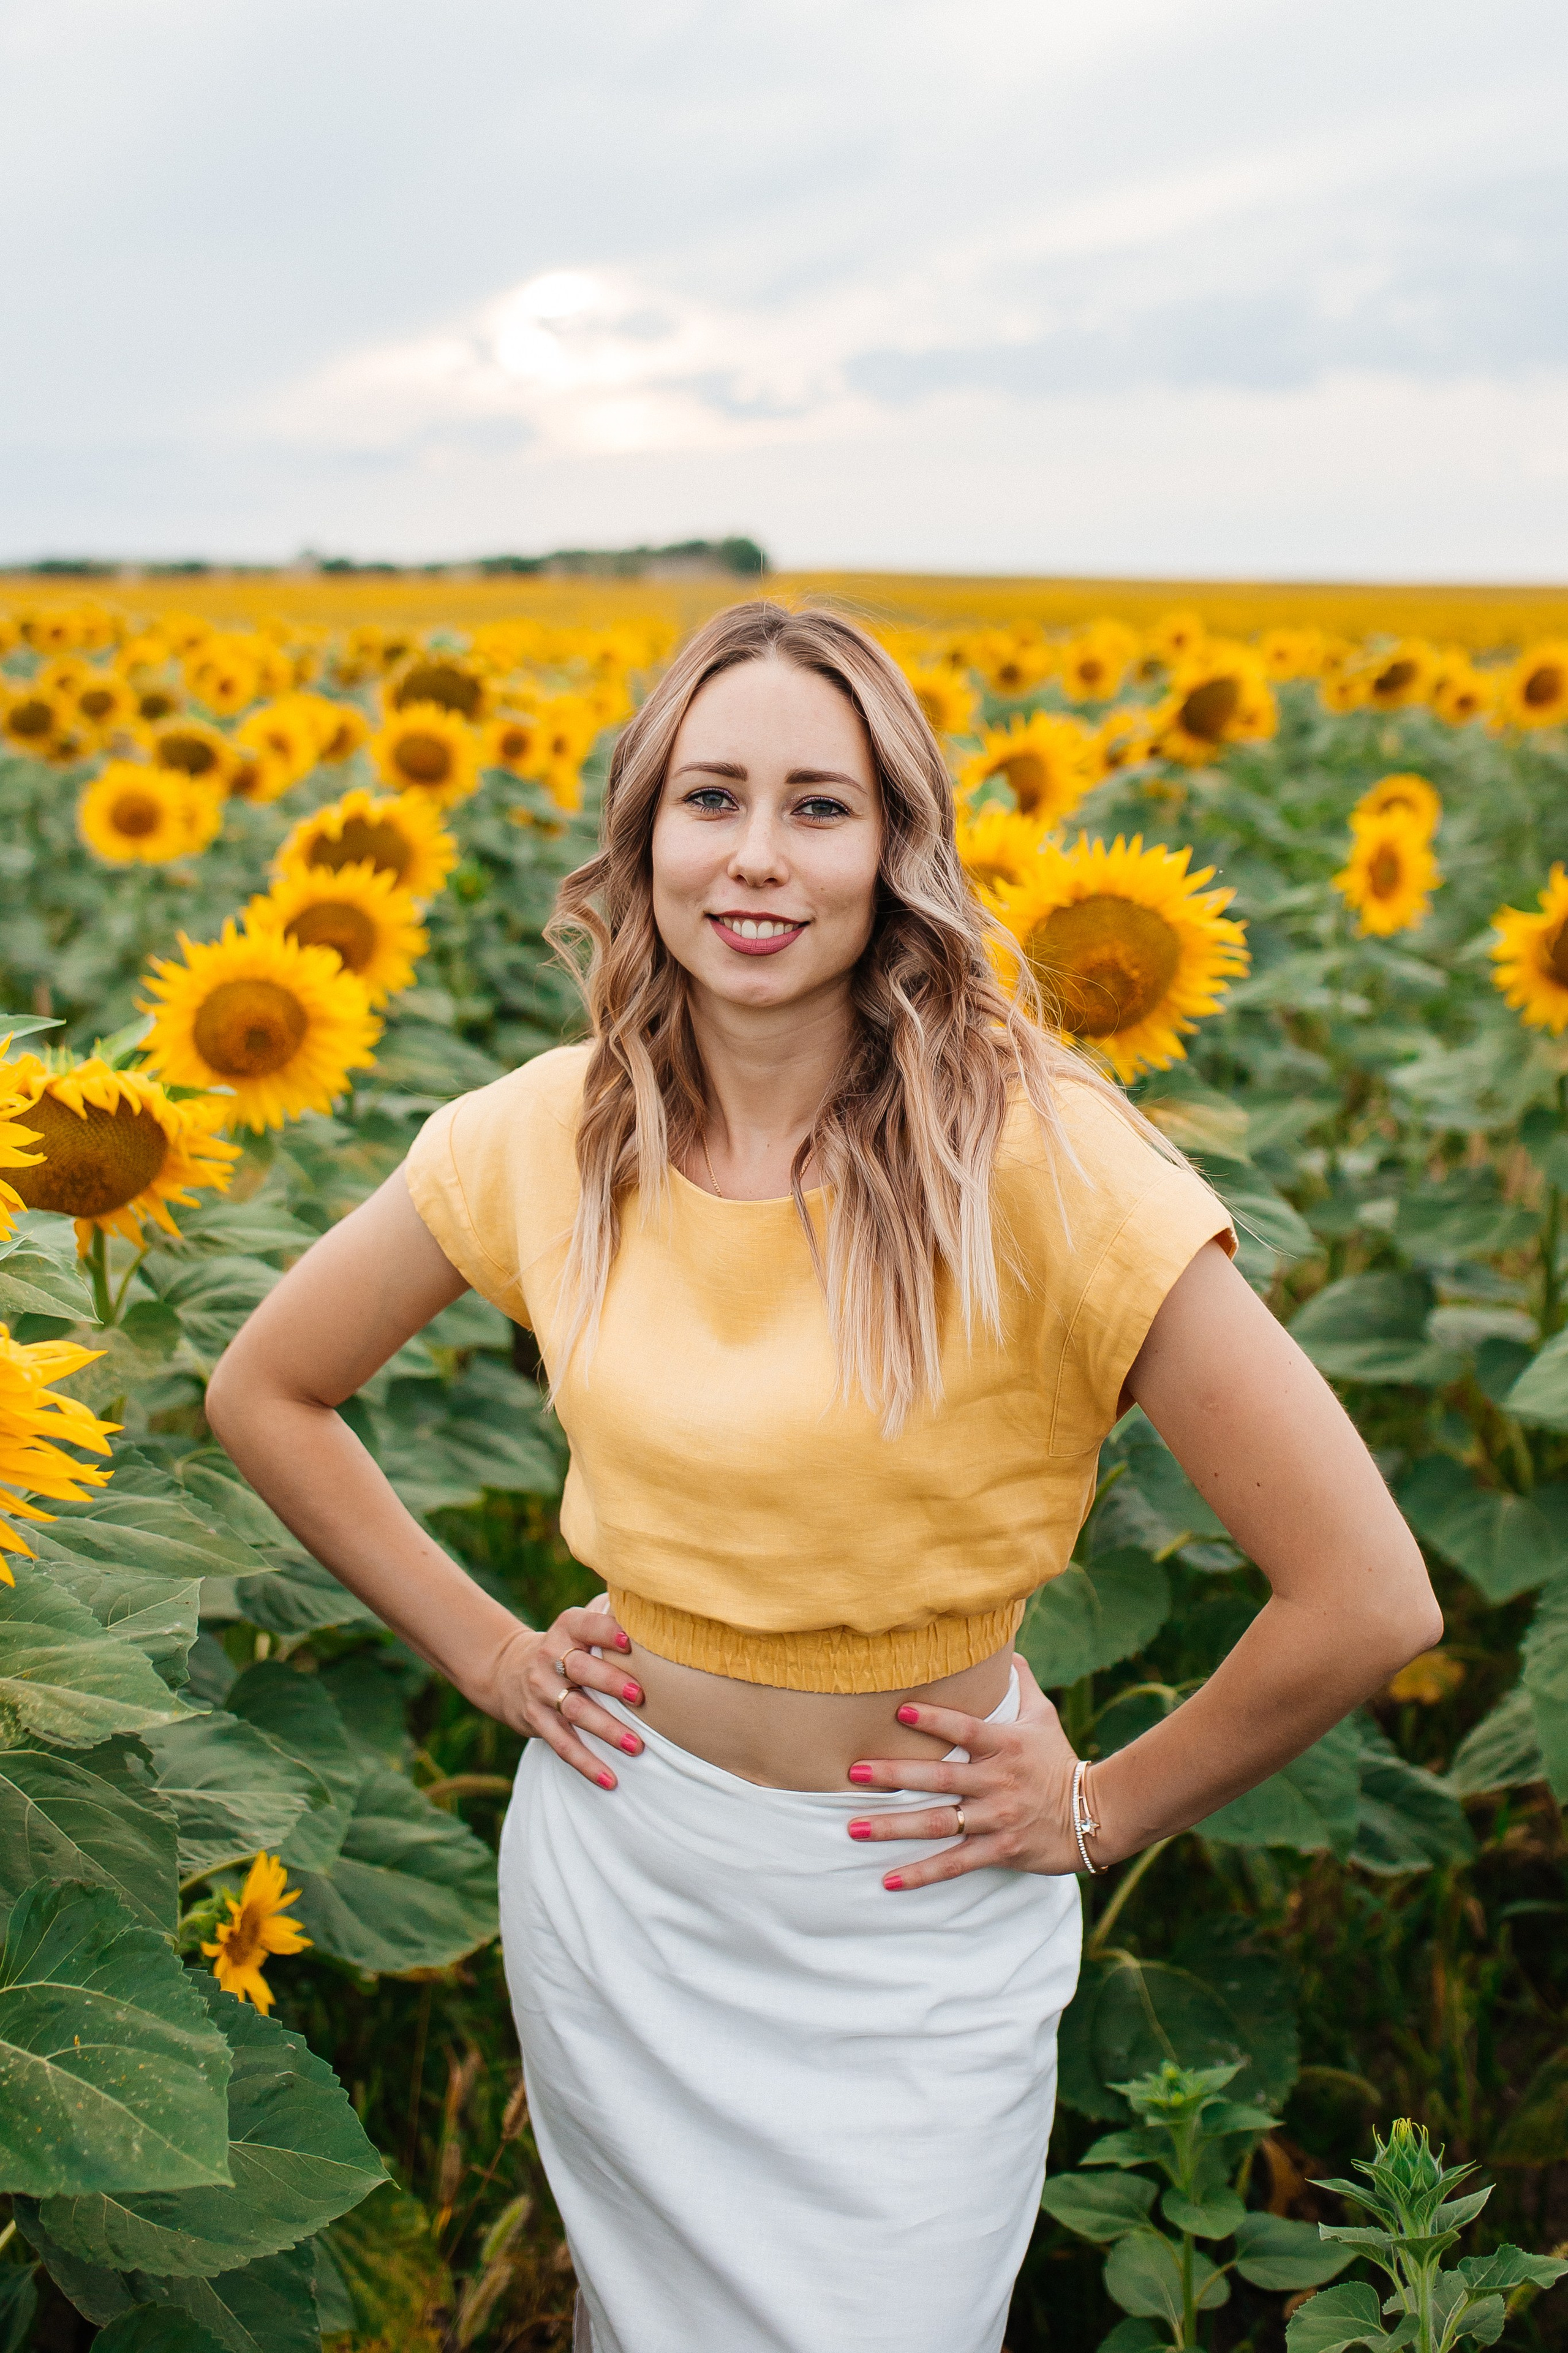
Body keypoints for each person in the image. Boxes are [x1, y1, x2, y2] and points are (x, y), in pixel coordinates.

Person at [207, 602, 1441, 2353]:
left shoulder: (1039, 1156)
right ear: (642, 836)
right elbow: (268, 1387)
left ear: (897, 846)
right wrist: (490, 1656)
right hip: (628, 1882)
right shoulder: (547, 1134)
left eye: (820, 804)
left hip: (915, 1921)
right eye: (711, 798)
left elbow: (1369, 1591)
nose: (757, 858)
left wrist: (1103, 1806)